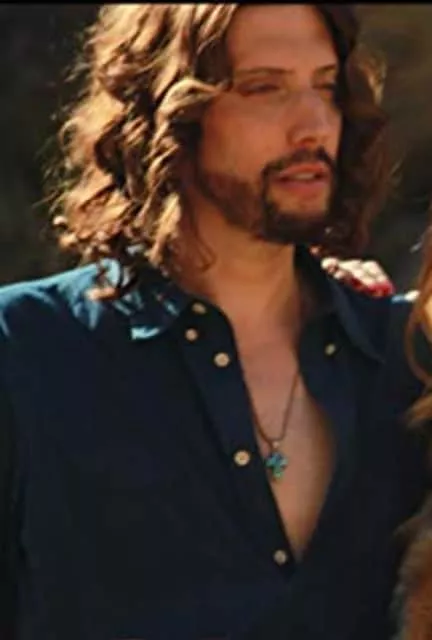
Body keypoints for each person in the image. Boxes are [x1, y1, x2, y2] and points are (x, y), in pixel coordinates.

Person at [0, 4, 428, 640]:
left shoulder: (408, 360)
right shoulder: (27, 351)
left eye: (327, 87)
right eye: (264, 88)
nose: (313, 124)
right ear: (170, 111)